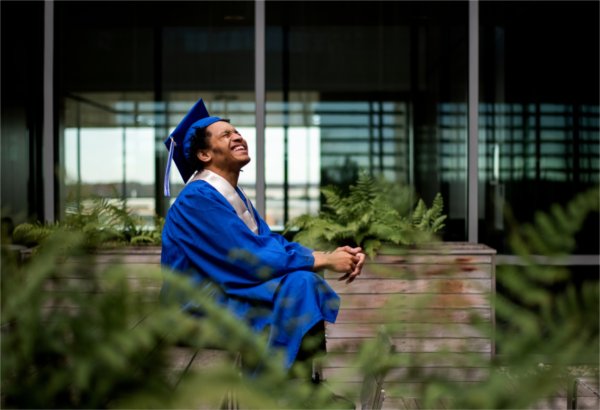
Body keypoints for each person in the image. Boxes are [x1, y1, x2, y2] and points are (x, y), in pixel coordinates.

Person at [160, 98, 365, 373]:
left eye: (236, 132)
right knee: (301, 285)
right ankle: (286, 390)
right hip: (197, 307)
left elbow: (268, 243)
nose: (238, 137)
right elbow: (246, 256)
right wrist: (322, 260)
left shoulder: (230, 194)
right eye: (226, 135)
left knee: (301, 284)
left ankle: (306, 387)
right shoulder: (197, 197)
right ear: (204, 155)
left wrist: (326, 255)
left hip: (227, 291)